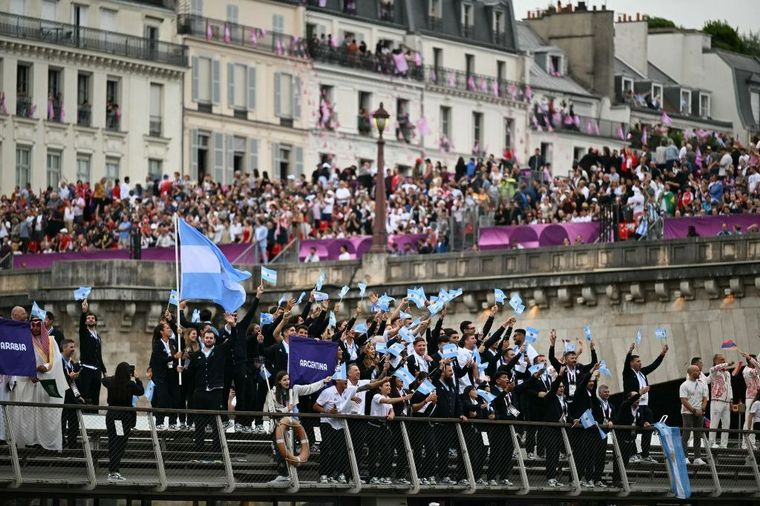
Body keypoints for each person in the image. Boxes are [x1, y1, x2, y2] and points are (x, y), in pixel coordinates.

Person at [8, 315, 68, 451]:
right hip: (27, 381)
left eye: (37, 326)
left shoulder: (52, 341)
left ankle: (44, 442)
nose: (35, 328)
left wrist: (45, 368)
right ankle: (28, 441)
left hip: (45, 381)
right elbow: (18, 358)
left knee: (43, 412)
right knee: (28, 412)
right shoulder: (23, 341)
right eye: (32, 325)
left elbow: (57, 361)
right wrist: (31, 371)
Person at [264, 371, 332, 482]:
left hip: (292, 426)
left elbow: (309, 388)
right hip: (277, 426)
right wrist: (287, 409)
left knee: (292, 451)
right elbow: (272, 411)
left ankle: (292, 474)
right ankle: (283, 474)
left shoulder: (293, 390)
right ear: (279, 381)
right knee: (279, 450)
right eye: (284, 380)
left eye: (288, 379)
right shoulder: (272, 393)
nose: (287, 382)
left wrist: (323, 381)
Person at [185, 314, 237, 452]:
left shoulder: (220, 351)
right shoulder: (196, 355)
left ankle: (216, 449)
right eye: (206, 338)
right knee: (200, 422)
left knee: (216, 422)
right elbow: (190, 374)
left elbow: (233, 341)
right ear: (202, 339)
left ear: (215, 339)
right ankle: (199, 448)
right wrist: (182, 370)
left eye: (211, 338)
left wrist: (232, 326)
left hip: (215, 391)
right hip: (200, 392)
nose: (208, 340)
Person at [622, 341, 668, 463]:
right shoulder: (627, 373)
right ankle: (632, 454)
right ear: (631, 363)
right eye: (637, 361)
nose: (640, 363)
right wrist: (629, 352)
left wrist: (662, 354)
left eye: (640, 361)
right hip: (634, 405)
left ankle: (645, 453)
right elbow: (626, 364)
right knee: (633, 430)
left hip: (645, 405)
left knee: (648, 428)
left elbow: (654, 365)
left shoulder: (642, 373)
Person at [102, 362, 144, 481]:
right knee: (119, 443)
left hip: (111, 416)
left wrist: (116, 376)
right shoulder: (129, 384)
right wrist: (137, 378)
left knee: (113, 442)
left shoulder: (111, 382)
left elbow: (103, 380)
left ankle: (113, 470)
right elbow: (141, 391)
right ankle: (113, 471)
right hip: (121, 418)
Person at [313, 375, 353, 484]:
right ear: (338, 381)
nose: (346, 381)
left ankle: (333, 474)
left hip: (340, 425)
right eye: (344, 379)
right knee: (326, 448)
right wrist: (328, 412)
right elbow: (315, 406)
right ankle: (323, 474)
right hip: (327, 423)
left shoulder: (347, 393)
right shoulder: (328, 392)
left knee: (339, 450)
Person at [149, 322, 182, 430]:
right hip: (162, 375)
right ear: (161, 331)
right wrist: (173, 357)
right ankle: (159, 422)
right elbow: (159, 360)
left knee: (175, 398)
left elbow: (177, 356)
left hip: (172, 374)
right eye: (167, 328)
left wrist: (177, 365)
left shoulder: (173, 342)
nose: (170, 329)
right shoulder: (157, 344)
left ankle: (173, 422)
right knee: (162, 399)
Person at [707, 353, 741, 448]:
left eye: (724, 359)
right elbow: (713, 369)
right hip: (717, 401)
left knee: (726, 425)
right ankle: (711, 443)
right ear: (715, 361)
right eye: (721, 360)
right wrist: (727, 364)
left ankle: (724, 445)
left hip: (726, 402)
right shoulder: (714, 372)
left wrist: (731, 400)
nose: (723, 361)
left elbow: (729, 387)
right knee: (714, 423)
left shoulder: (727, 373)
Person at [79, 299, 107, 405]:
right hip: (86, 369)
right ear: (86, 321)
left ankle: (95, 415)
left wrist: (104, 370)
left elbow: (98, 355)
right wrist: (84, 312)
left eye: (92, 318)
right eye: (88, 318)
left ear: (95, 321)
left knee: (95, 397)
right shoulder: (84, 334)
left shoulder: (98, 337)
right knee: (86, 396)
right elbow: (81, 326)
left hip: (96, 371)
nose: (90, 320)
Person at [679, 365, 708, 465]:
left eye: (699, 371)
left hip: (699, 412)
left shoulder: (702, 384)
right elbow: (684, 400)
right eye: (697, 371)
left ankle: (697, 457)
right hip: (687, 412)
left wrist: (702, 408)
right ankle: (684, 457)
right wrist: (694, 410)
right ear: (691, 373)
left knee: (697, 435)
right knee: (686, 435)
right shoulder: (684, 385)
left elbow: (705, 398)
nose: (699, 372)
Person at [61, 338, 85, 449]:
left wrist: (78, 395)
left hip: (71, 397)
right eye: (71, 347)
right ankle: (61, 442)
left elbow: (72, 383)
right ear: (64, 348)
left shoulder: (71, 363)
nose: (73, 349)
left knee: (73, 421)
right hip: (61, 397)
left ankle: (72, 443)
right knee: (62, 421)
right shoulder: (58, 362)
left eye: (74, 347)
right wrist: (68, 377)